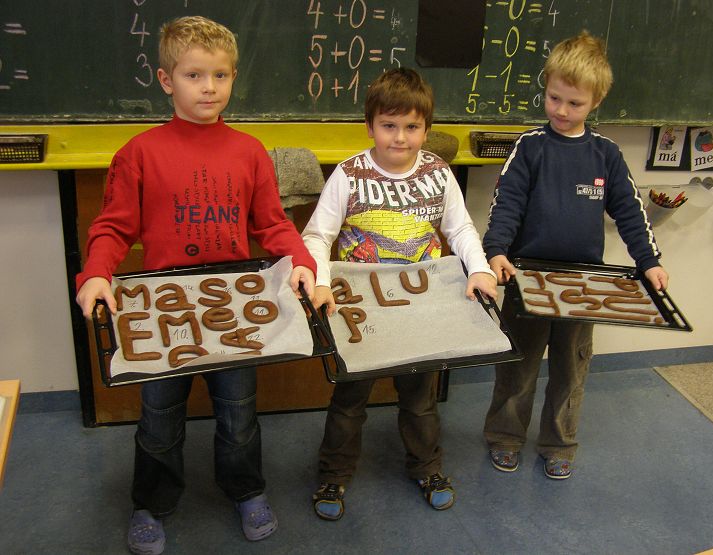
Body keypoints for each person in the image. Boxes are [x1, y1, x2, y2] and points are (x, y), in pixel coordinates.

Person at [74, 16, 316, 555]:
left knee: (239, 412)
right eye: (194, 75)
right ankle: (152, 502)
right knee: (160, 418)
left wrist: (300, 262)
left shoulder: (249, 151)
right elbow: (113, 227)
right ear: (166, 80)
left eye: (220, 75)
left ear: (233, 78)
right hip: (164, 311)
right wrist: (96, 273)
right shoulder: (139, 153)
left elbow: (273, 224)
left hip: (233, 309)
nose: (209, 87)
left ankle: (245, 489)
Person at [302, 67, 498, 520]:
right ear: (370, 126)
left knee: (420, 399)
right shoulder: (349, 174)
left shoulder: (439, 173)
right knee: (350, 400)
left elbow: (460, 228)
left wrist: (479, 269)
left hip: (420, 308)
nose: (400, 138)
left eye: (412, 127)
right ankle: (333, 474)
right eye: (389, 125)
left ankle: (427, 468)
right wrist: (320, 280)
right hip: (360, 310)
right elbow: (317, 235)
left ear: (426, 129)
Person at [481, 31, 669, 480]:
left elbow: (630, 212)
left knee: (571, 371)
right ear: (545, 89)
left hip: (584, 285)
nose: (561, 111)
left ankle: (560, 442)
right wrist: (496, 250)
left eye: (574, 103)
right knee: (518, 368)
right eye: (554, 98)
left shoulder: (606, 155)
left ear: (596, 101)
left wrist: (649, 261)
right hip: (527, 281)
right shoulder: (530, 147)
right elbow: (507, 204)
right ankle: (505, 437)